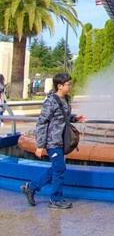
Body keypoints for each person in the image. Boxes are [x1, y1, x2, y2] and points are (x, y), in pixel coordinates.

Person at [20, 73, 85, 209]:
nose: (70, 86)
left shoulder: (66, 99)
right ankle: (55, 199)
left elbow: (61, 117)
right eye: (68, 84)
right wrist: (40, 145)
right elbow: (42, 123)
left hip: (61, 139)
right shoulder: (50, 101)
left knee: (57, 168)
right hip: (52, 141)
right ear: (59, 86)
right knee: (59, 168)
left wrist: (74, 118)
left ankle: (30, 187)